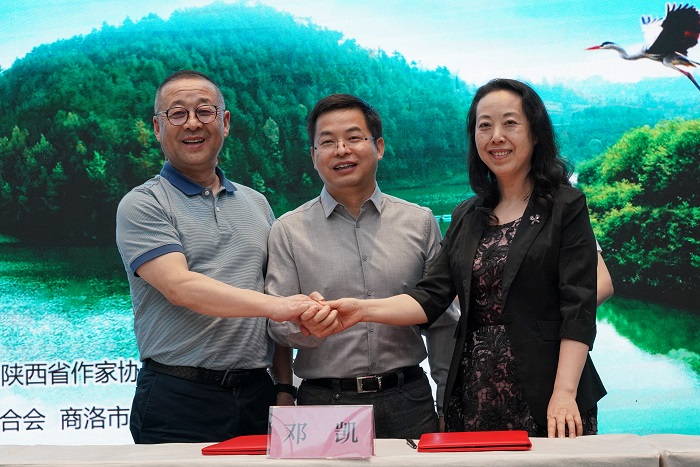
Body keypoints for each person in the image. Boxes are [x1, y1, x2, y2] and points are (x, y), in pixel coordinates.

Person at [302, 79, 607, 438]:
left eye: (510, 123)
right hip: (476, 390)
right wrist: (361, 310)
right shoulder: (467, 215)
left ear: (536, 132)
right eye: (484, 125)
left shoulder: (565, 205)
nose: (496, 136)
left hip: (550, 391)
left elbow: (578, 306)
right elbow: (430, 298)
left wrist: (565, 392)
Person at [115, 70, 322, 444]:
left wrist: (284, 387)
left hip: (259, 393)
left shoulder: (256, 203)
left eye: (204, 111)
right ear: (157, 127)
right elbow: (180, 286)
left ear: (224, 122)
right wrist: (280, 306)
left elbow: (272, 295)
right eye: (177, 113)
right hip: (177, 396)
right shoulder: (143, 203)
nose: (192, 123)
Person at [265, 94, 459, 438]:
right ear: (313, 156)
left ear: (379, 147)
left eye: (354, 137)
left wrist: (446, 404)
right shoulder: (288, 230)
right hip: (324, 402)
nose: (341, 150)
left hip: (409, 399)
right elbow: (277, 325)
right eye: (327, 142)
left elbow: (443, 322)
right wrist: (306, 326)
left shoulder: (420, 222)